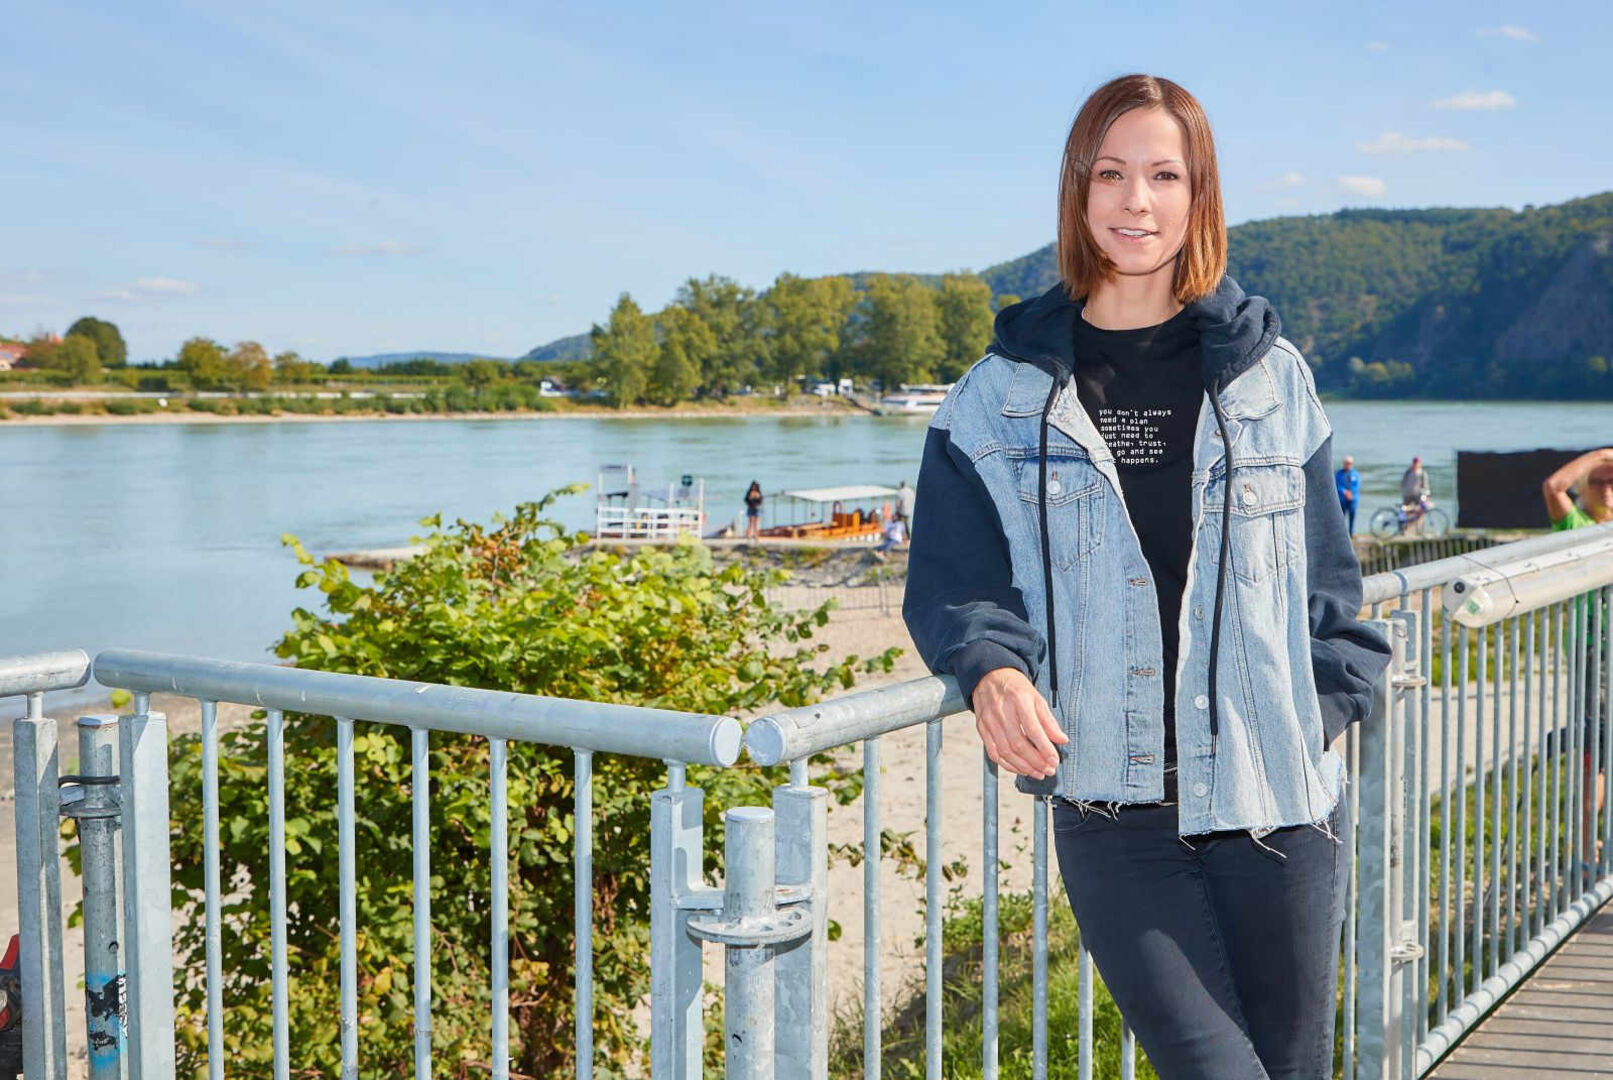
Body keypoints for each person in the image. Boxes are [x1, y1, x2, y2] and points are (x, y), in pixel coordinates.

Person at [902, 74, 1390, 1079]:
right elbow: (953, 576)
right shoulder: (1000, 396)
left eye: (1163, 175)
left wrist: (1318, 706)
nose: (1136, 201)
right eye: (1111, 174)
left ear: (1197, 193)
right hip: (1110, 812)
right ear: (1077, 193)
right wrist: (990, 667)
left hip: (1277, 808)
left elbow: (1329, 595)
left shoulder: (1269, 376)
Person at [1542, 447, 1613, 878]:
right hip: (1596, 652)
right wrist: (1601, 455)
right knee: (1596, 753)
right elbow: (1553, 486)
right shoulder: (1577, 526)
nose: (1607, 487)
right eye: (1600, 481)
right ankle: (1586, 851)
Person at [1335, 454, 1361, 535]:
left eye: (1349, 463)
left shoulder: (1355, 474)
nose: (1348, 465)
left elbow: (1357, 485)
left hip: (1353, 498)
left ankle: (1351, 532)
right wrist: (1344, 492)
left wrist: (1351, 493)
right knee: (1341, 516)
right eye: (1346, 463)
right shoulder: (1339, 474)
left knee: (1352, 514)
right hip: (1342, 498)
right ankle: (1341, 532)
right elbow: (1336, 485)